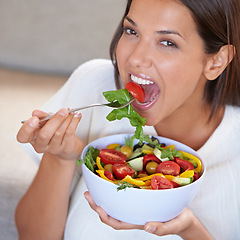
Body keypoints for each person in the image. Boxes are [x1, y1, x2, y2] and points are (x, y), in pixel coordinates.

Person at [15, 0, 240, 239]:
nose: (136, 58)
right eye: (131, 31)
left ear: (216, 61)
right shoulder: (94, 86)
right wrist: (60, 158)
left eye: (167, 42)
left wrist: (189, 230)